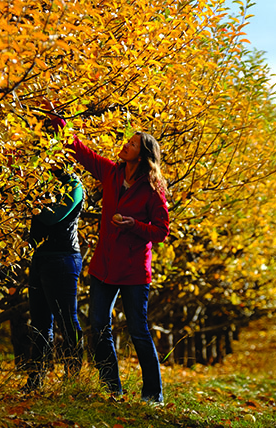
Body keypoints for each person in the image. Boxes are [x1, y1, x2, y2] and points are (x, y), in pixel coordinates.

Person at [43, 101, 170, 403]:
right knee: (98, 326)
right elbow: (80, 151)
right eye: (127, 142)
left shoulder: (153, 188)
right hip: (104, 267)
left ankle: (153, 394)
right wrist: (58, 121)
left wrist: (133, 225)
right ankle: (112, 388)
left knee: (139, 332)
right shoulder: (111, 173)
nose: (125, 146)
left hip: (134, 271)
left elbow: (161, 231)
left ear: (143, 154)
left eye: (132, 144)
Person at [24, 163, 84, 393]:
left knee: (66, 320)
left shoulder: (73, 184)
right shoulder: (38, 181)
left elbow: (53, 218)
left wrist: (31, 199)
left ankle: (73, 379)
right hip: (40, 258)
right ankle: (35, 380)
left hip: (62, 258)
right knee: (39, 323)